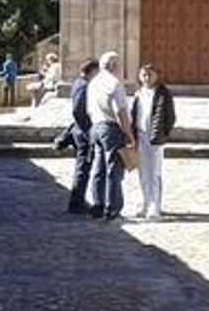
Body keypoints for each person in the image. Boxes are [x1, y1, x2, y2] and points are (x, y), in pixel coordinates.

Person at [85, 51, 134, 220]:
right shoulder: (114, 83)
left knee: (99, 168)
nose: (121, 67)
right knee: (114, 169)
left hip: (96, 127)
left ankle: (98, 204)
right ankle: (112, 208)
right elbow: (120, 111)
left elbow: (89, 109)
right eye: (120, 64)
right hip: (110, 128)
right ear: (113, 65)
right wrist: (129, 134)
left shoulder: (93, 82)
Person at [129, 64, 177, 221]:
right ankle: (146, 203)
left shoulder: (163, 93)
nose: (146, 78)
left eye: (150, 74)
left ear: (156, 75)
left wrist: (163, 134)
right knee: (143, 173)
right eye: (143, 74)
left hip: (155, 138)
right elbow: (134, 115)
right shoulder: (138, 94)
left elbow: (170, 116)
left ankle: (155, 207)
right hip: (140, 136)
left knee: (154, 173)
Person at [56, 59, 101, 214]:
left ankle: (78, 201)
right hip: (83, 134)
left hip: (79, 131)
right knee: (83, 168)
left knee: (83, 167)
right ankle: (76, 203)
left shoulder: (79, 83)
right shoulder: (83, 85)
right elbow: (77, 110)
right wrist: (88, 129)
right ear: (93, 71)